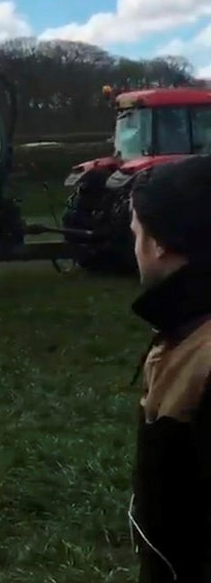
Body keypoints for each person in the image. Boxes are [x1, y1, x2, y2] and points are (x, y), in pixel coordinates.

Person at [127, 154, 211, 582]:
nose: (134, 248)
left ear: (159, 244)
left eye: (136, 234)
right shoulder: (182, 331)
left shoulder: (206, 358)